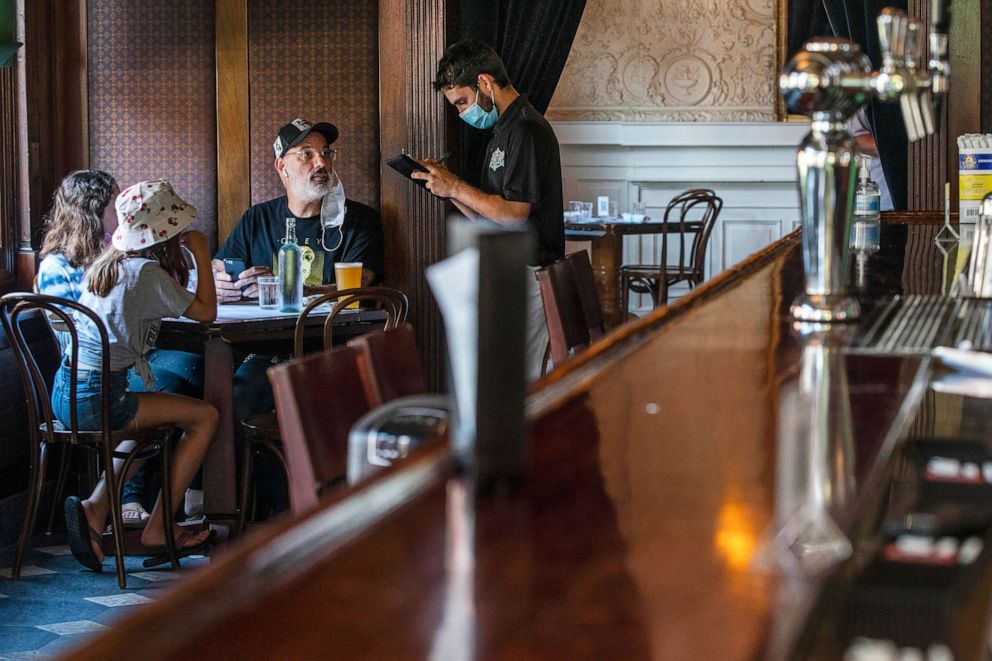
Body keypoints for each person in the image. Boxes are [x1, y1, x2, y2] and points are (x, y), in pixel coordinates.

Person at [212, 118, 385, 517]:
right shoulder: (258, 218)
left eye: (325, 153)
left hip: (326, 350)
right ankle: (213, 506)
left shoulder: (356, 219)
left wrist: (289, 285)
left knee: (243, 394)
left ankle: (270, 516)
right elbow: (219, 265)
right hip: (257, 347)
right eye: (306, 154)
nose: (319, 162)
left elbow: (361, 284)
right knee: (191, 379)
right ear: (282, 167)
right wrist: (225, 281)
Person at [55, 179, 218, 572]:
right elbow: (206, 313)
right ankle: (160, 528)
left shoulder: (107, 264)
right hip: (98, 397)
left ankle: (96, 508)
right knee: (204, 417)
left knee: (150, 426)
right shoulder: (147, 274)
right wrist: (201, 254)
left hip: (64, 390)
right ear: (167, 233)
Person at [412, 39, 564, 380]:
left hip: (530, 275)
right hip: (508, 271)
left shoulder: (525, 129)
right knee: (493, 379)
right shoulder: (502, 130)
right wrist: (445, 188)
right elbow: (492, 217)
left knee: (515, 387)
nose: (463, 112)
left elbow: (514, 215)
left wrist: (456, 186)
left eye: (463, 102)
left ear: (484, 83)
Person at [849, 107, 894, 211]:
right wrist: (899, 147)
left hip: (913, 189)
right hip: (880, 195)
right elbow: (858, 140)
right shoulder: (862, 100)